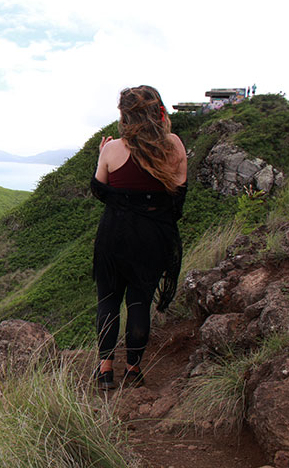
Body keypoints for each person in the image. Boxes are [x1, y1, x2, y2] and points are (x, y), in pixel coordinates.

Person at [90, 85, 188, 390]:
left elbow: (99, 190)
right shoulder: (174, 146)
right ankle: (133, 370)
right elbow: (177, 200)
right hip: (152, 239)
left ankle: (105, 370)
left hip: (114, 237)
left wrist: (103, 158)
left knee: (108, 301)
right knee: (139, 303)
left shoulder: (112, 148)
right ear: (160, 111)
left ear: (124, 115)